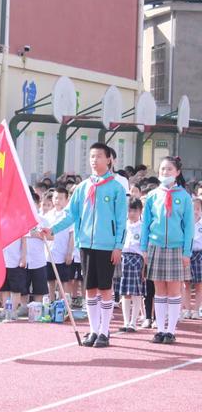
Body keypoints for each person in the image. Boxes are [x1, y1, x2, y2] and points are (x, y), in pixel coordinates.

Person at [41, 143, 127, 348]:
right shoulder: (83, 187)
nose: (94, 160)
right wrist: (52, 229)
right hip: (86, 244)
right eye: (91, 157)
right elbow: (71, 214)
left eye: (98, 156)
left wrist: (118, 246)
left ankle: (105, 331)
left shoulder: (116, 188)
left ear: (109, 160)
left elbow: (121, 220)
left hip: (107, 246)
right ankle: (94, 330)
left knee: (105, 289)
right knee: (90, 289)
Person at [141, 156, 194, 344]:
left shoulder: (184, 196)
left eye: (169, 169)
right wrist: (144, 248)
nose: (165, 173)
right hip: (155, 247)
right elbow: (146, 223)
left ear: (177, 172)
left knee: (174, 291)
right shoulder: (153, 195)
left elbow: (189, 227)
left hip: (176, 248)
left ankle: (171, 330)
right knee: (159, 290)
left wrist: (186, 252)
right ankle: (160, 329)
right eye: (162, 169)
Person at [119, 197, 144, 332]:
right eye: (129, 210)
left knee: (136, 292)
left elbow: (145, 247)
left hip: (137, 259)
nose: (132, 213)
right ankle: (126, 321)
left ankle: (133, 322)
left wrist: (144, 266)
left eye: (135, 210)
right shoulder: (122, 225)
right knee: (124, 293)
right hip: (123, 258)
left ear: (140, 211)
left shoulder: (143, 227)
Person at [45, 187, 74, 301]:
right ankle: (51, 302)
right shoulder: (48, 215)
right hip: (49, 253)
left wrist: (69, 253)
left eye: (61, 198)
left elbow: (72, 236)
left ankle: (63, 303)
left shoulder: (68, 216)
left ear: (66, 200)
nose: (58, 200)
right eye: (56, 198)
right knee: (50, 280)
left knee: (63, 280)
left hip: (63, 254)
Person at [0, 237, 27, 320]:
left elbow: (24, 242)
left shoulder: (21, 226)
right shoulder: (2, 224)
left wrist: (23, 257)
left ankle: (13, 310)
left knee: (16, 289)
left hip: (16, 262)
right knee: (5, 288)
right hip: (3, 261)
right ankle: (5, 309)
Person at [184, 198, 202, 319]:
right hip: (188, 255)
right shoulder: (186, 224)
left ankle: (196, 310)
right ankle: (187, 310)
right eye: (193, 209)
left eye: (198, 209)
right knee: (186, 284)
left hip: (200, 254)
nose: (195, 211)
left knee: (199, 284)